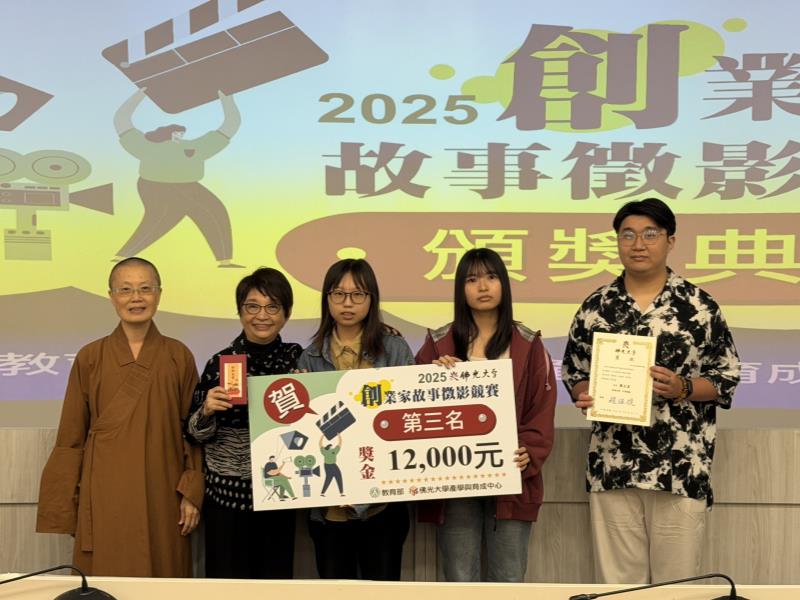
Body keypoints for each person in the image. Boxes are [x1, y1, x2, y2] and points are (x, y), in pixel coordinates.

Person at [561, 198, 741, 584]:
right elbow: (574, 370)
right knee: (618, 585)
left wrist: (683, 387)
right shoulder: (596, 306)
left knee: (676, 584)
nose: (638, 244)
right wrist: (584, 393)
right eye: (627, 235)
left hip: (680, 466)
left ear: (670, 241)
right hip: (613, 465)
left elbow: (726, 376)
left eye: (650, 234)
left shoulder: (699, 306)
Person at [36, 257, 203, 577]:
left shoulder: (177, 355)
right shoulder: (91, 357)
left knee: (162, 575)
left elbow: (193, 432)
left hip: (163, 489)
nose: (136, 298)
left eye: (145, 289)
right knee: (106, 579)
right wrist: (68, 503)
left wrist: (191, 493)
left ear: (159, 293)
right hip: (104, 489)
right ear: (111, 296)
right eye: (125, 289)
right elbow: (71, 435)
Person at [415, 248, 557, 582]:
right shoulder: (439, 343)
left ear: (504, 284)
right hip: (454, 481)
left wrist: (529, 451)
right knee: (459, 578)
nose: (483, 286)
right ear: (460, 289)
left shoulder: (528, 344)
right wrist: (430, 376)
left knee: (509, 579)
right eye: (472, 279)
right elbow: (413, 410)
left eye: (491, 277)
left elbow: (541, 410)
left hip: (511, 477)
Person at [297, 258, 413, 580]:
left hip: (382, 505)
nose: (347, 303)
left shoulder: (394, 349)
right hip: (330, 510)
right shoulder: (309, 357)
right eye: (339, 294)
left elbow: (408, 420)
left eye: (358, 294)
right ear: (327, 299)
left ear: (371, 299)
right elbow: (308, 435)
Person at [185, 267, 301, 578]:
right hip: (226, 498)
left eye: (272, 307)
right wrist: (206, 411)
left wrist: (308, 394)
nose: (262, 316)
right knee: (226, 588)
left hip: (279, 495)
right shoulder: (219, 363)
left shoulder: (298, 361)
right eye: (252, 306)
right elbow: (193, 434)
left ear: (287, 313)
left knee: (274, 588)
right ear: (240, 312)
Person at [112, 87, 242, 268]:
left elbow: (230, 125)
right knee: (163, 216)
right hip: (155, 185)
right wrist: (140, 93)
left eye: (181, 134)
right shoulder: (148, 146)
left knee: (213, 211)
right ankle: (123, 256)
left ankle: (225, 260)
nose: (180, 136)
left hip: (187, 185)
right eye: (177, 133)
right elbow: (122, 120)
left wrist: (227, 99)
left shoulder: (194, 147)